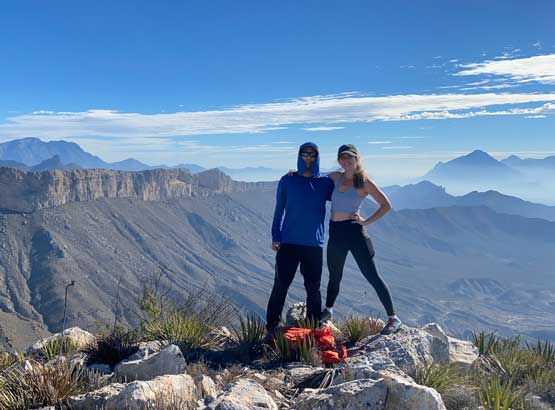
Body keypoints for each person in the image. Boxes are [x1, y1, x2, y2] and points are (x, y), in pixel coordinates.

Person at [321, 144, 401, 335]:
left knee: (372, 275)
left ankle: (393, 318)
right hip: (335, 232)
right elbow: (314, 178)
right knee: (335, 275)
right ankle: (328, 310)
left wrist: (366, 222)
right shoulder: (335, 177)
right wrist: (296, 172)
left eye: (349, 157)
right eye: (342, 157)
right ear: (339, 160)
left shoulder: (364, 182)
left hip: (355, 233)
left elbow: (386, 205)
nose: (346, 161)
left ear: (356, 159)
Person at [266, 142, 334, 339]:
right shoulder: (287, 181)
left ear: (317, 157)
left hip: (313, 244)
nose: (308, 158)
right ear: (299, 155)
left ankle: (312, 329)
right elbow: (279, 210)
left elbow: (344, 191)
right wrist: (276, 236)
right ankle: (272, 327)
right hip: (288, 242)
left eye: (312, 155)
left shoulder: (325, 183)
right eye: (305, 154)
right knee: (281, 285)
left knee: (313, 288)